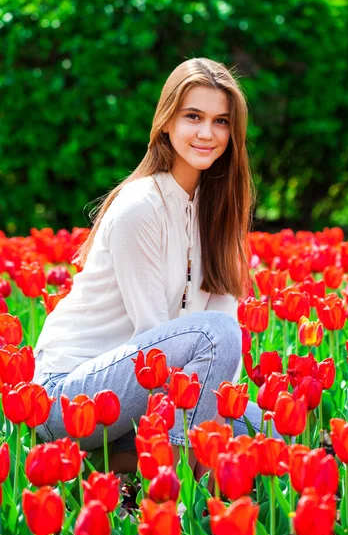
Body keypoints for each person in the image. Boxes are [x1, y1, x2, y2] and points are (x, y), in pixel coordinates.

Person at [33, 57, 264, 474]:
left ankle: (125, 463)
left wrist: (226, 419)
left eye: (221, 121)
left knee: (272, 436)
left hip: (141, 398)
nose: (207, 133)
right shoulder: (141, 207)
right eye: (193, 116)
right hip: (68, 398)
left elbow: (217, 366)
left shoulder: (220, 217)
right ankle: (174, 493)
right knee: (219, 337)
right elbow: (155, 348)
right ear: (166, 120)